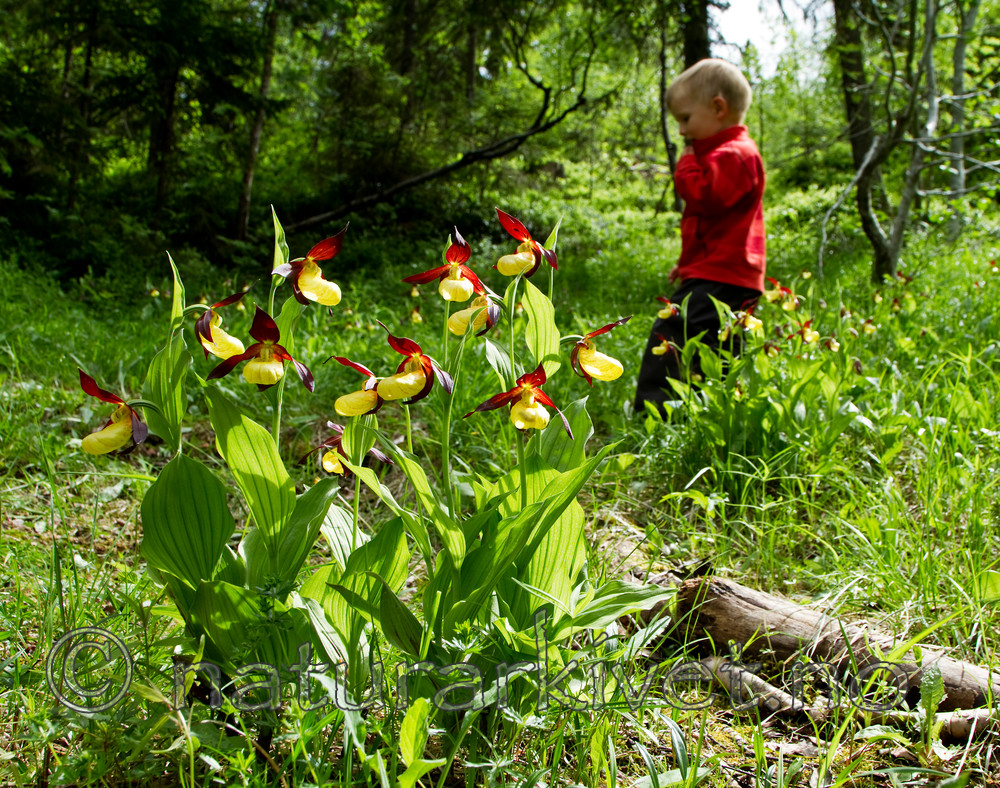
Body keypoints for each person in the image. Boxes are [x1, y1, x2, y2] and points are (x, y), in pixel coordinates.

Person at [634, 58, 766, 417]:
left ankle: (654, 414)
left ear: (718, 108)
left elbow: (704, 196)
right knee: (718, 344)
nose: (681, 132)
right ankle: (708, 411)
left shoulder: (734, 155)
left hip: (723, 273)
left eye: (685, 119)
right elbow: (712, 223)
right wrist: (687, 265)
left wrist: (686, 164)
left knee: (673, 331)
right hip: (721, 270)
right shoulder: (729, 155)